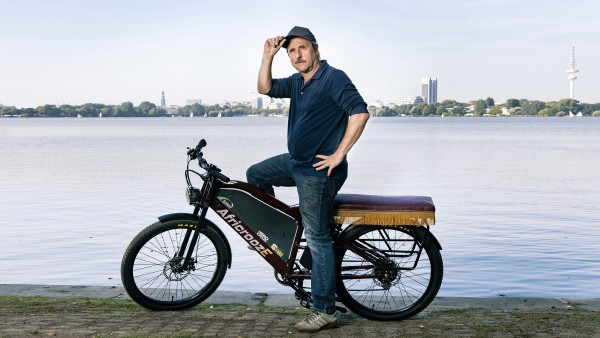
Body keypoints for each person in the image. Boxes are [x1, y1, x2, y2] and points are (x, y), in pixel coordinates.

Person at [247, 26, 369, 333]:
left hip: (318, 173)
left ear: (315, 49)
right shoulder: (299, 82)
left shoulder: (333, 78)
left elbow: (360, 113)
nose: (297, 55)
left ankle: (325, 310)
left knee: (317, 239)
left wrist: (339, 154)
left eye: (302, 48)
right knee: (256, 175)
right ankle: (280, 231)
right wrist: (267, 56)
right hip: (296, 163)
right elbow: (264, 88)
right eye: (291, 51)